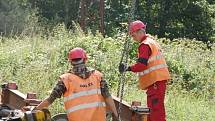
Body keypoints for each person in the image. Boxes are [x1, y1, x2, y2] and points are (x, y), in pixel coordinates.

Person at [35, 47, 118, 121]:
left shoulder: (66, 80)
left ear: (71, 62)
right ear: (85, 59)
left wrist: (35, 110)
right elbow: (108, 97)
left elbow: (50, 100)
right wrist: (116, 116)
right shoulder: (97, 76)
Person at [119, 20, 170, 121]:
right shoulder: (151, 42)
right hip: (157, 83)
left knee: (156, 114)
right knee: (153, 113)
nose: (133, 39)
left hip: (155, 83)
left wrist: (128, 68)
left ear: (139, 32)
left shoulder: (144, 45)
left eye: (133, 36)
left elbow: (141, 65)